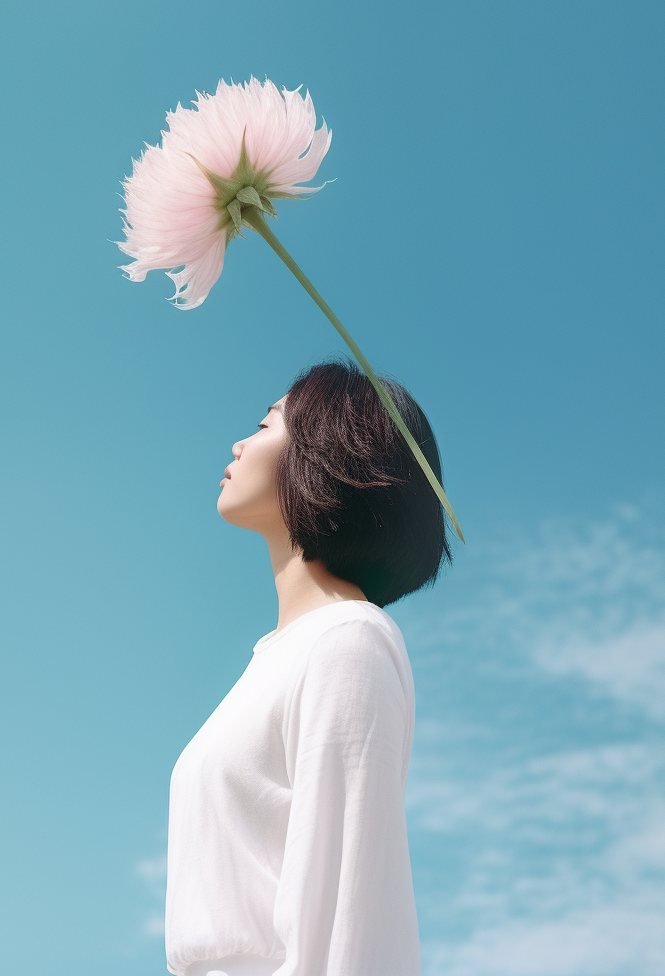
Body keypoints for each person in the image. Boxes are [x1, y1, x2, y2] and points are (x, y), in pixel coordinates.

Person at [164, 360, 453, 976]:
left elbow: (352, 916)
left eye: (267, 422)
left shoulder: (346, 642)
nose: (239, 442)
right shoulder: (281, 659)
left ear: (325, 453)